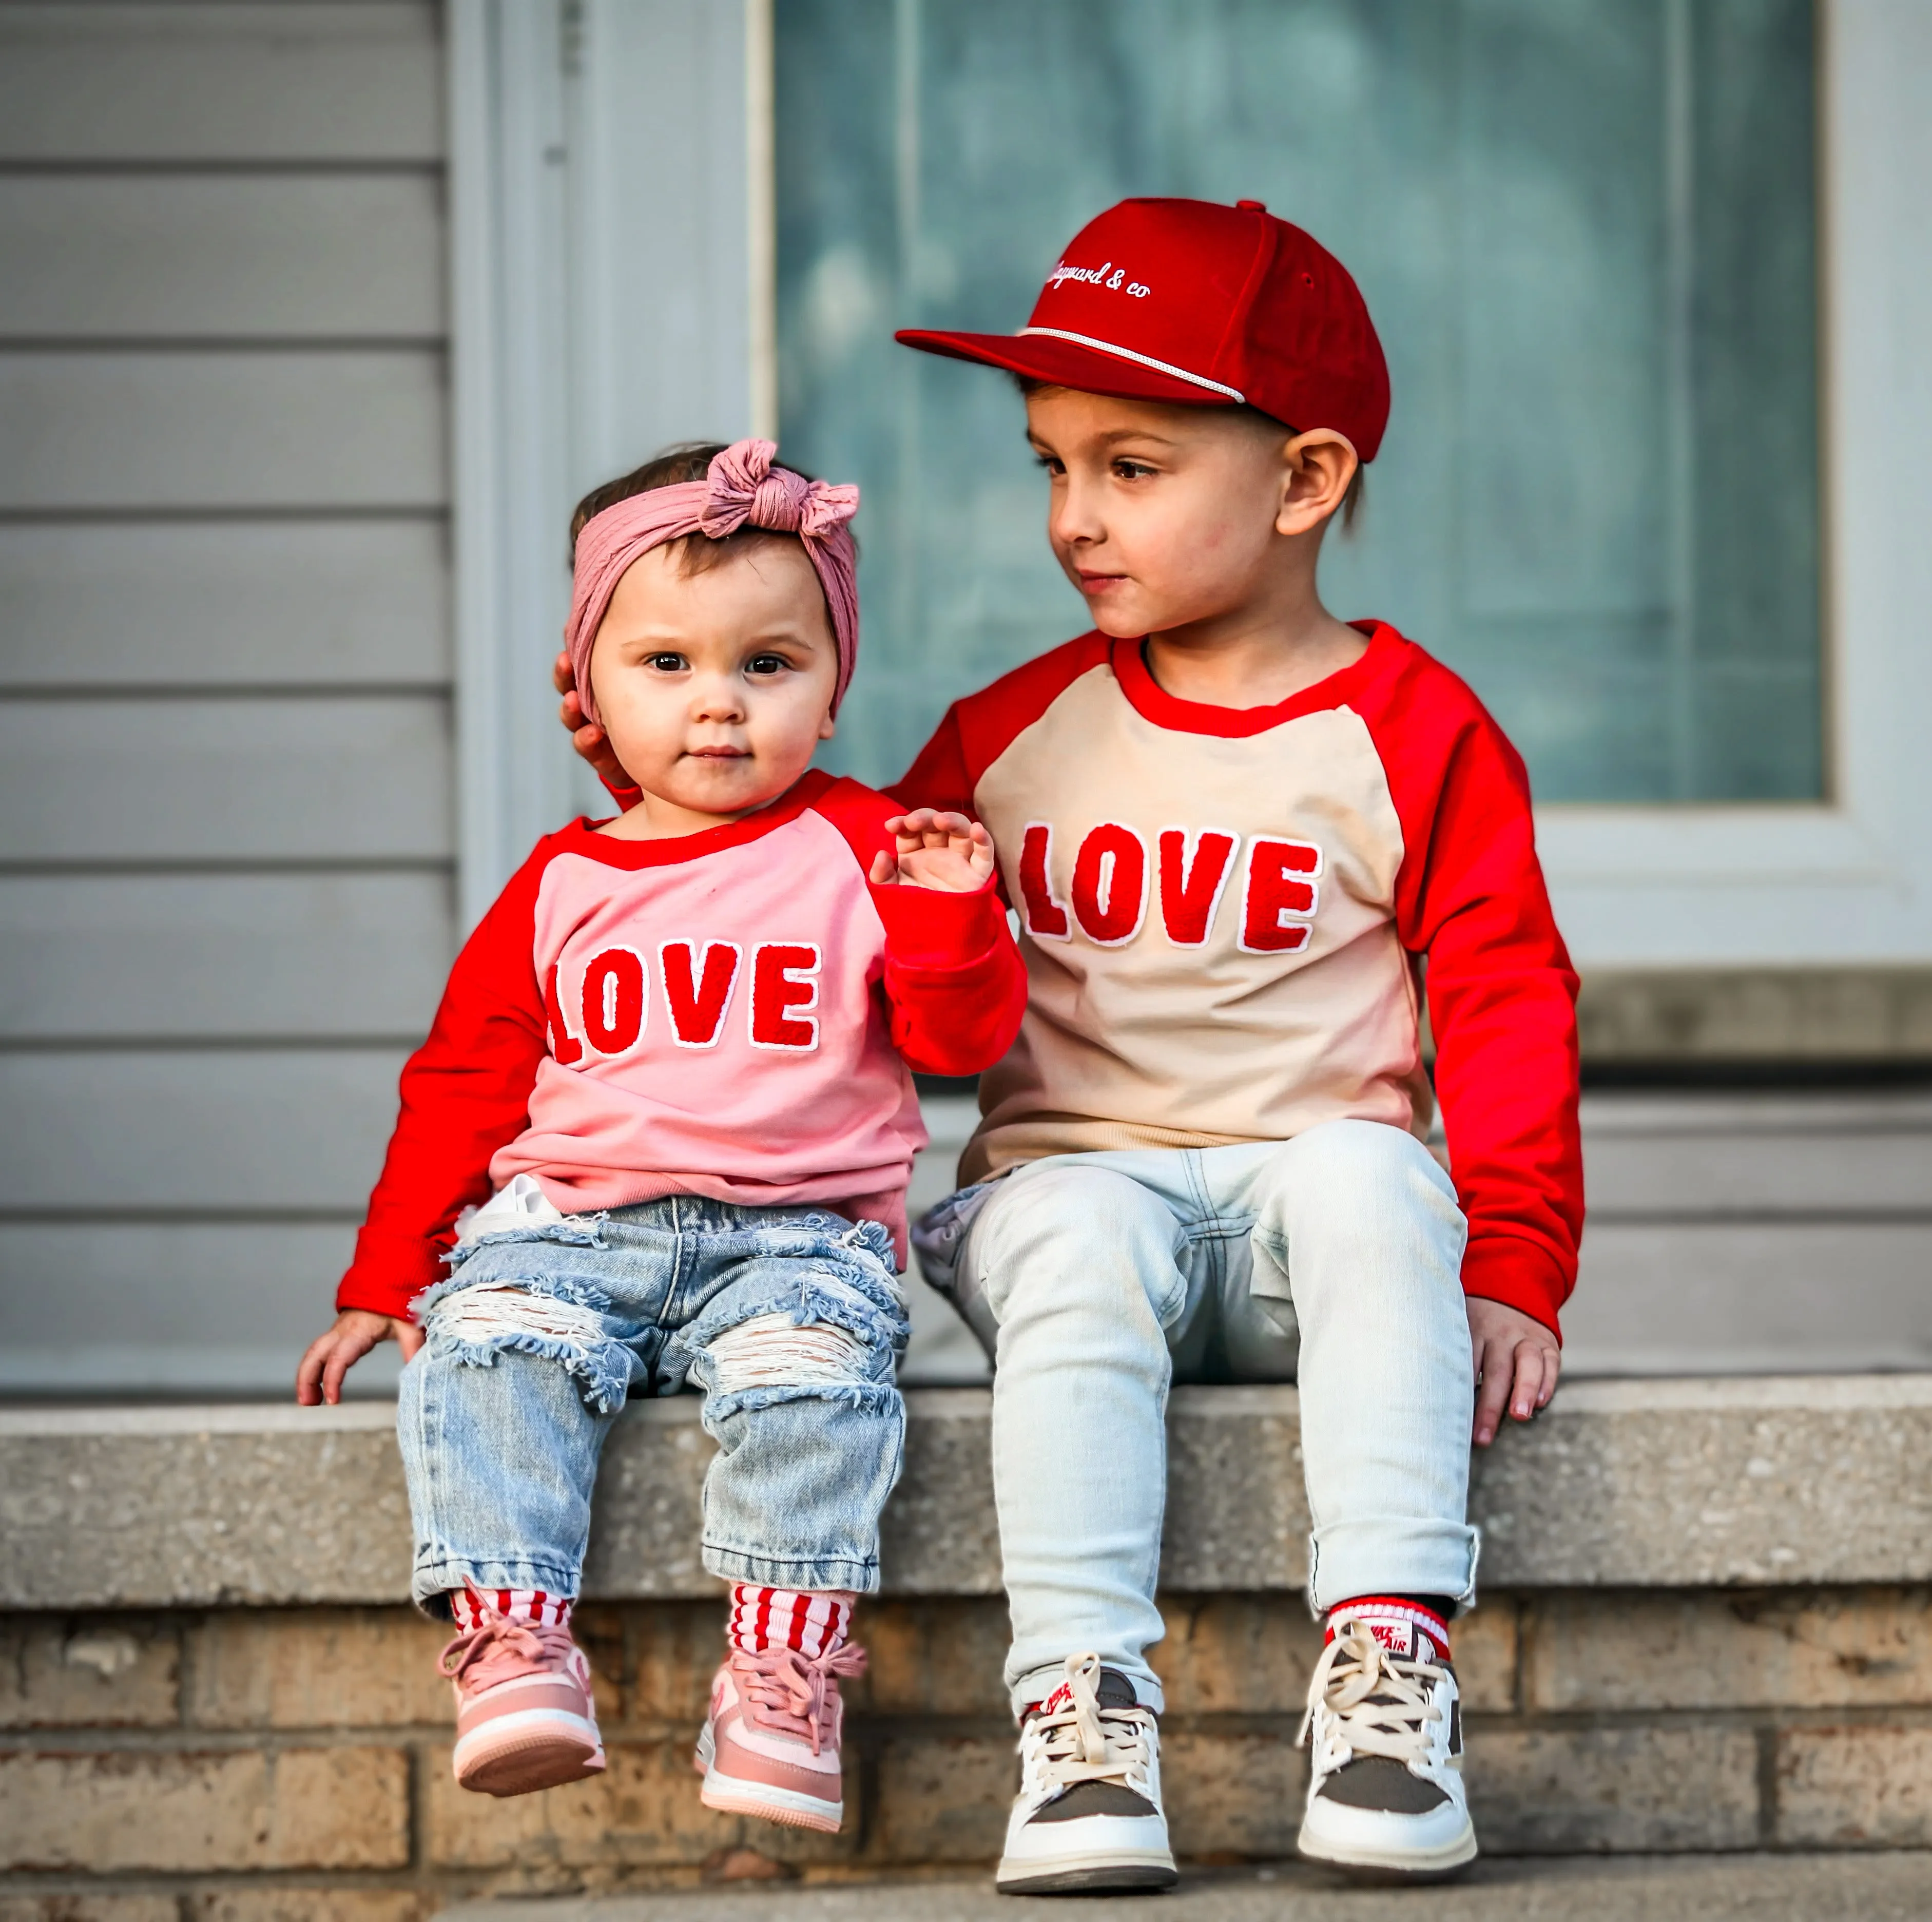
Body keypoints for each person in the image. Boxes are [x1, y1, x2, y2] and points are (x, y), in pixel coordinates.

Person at [559, 201, 1583, 1891]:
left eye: (1129, 467)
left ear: (1305, 480)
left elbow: (1504, 1001)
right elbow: (806, 908)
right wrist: (646, 756)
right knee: (1087, 1220)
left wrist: (1517, 1266)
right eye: (1051, 465)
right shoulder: (1006, 736)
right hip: (1067, 1210)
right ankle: (1081, 1713)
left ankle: (1390, 1674)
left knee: (1364, 1173)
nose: (1071, 520)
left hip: (1301, 1246)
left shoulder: (1414, 735)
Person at [297, 439, 1027, 1835]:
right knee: (489, 1343)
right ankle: (516, 1647)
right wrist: (385, 1275)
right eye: (667, 666)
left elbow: (962, 1045)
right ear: (590, 687)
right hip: (575, 1224)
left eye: (767, 665)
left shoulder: (866, 846)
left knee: (813, 1386)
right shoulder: (561, 881)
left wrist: (945, 918)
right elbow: (462, 1083)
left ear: (831, 683)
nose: (718, 708)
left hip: (797, 1237)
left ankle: (779, 1678)